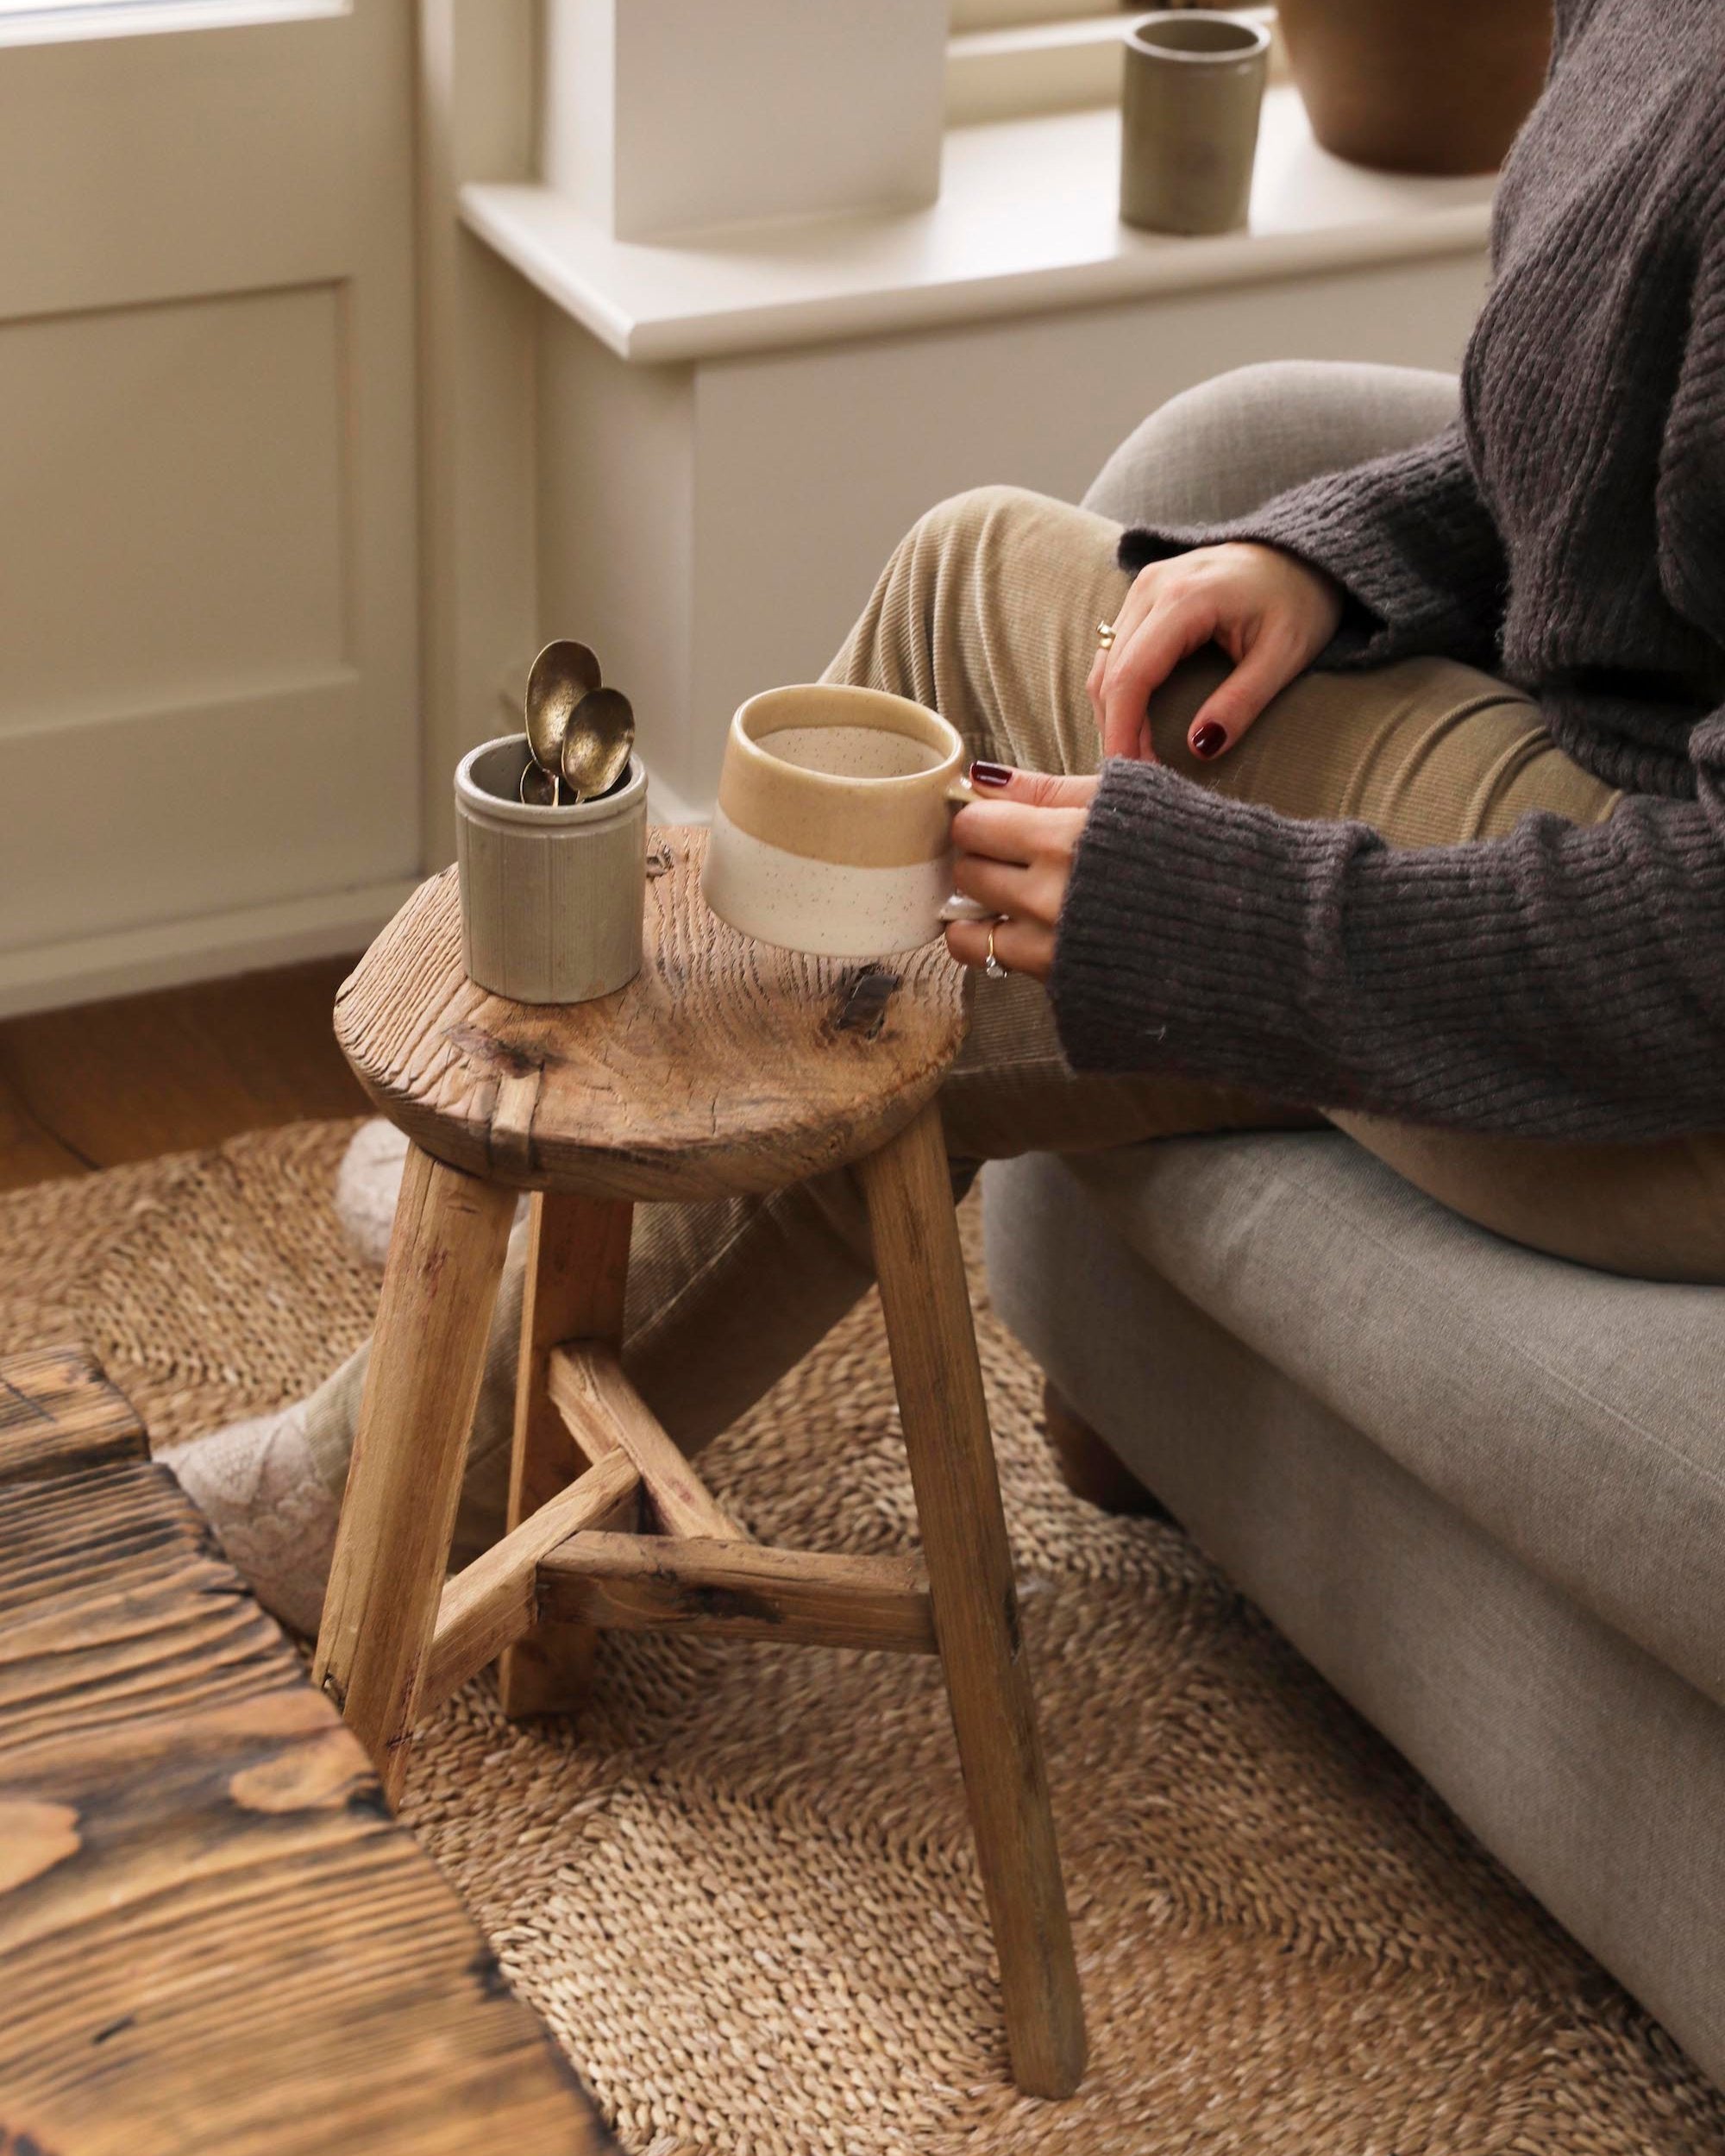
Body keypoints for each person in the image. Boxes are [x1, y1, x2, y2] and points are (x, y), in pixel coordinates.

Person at [167, 0, 1725, 1630]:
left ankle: (470, 1354)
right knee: (902, 943)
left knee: (968, 602)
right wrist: (1337, 552)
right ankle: (550, 1251)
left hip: (1678, 1055)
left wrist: (1234, 925)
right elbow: (1593, 427)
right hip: (1613, 797)